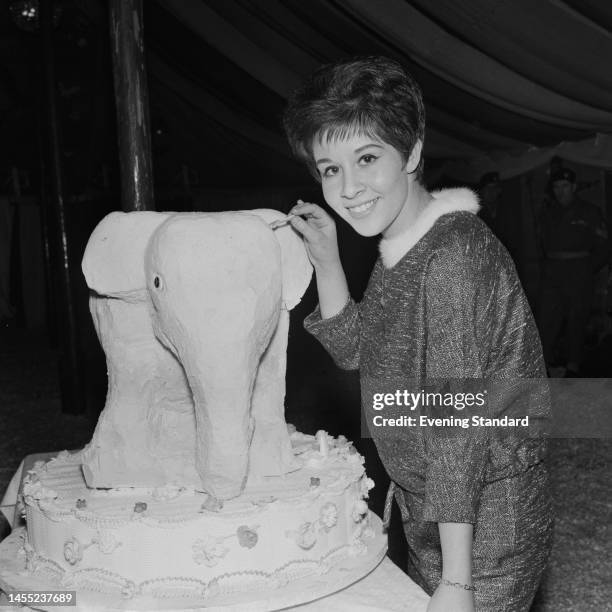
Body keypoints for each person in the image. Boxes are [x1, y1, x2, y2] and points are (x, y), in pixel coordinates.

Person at [283, 56, 552, 612]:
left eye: (366, 158)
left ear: (413, 152)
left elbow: (459, 423)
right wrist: (329, 262)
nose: (348, 187)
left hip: (484, 531)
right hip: (435, 512)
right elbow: (359, 352)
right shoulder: (403, 249)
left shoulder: (451, 255)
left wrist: (456, 581)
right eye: (330, 169)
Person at [537, 167, 609, 376]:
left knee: (577, 320)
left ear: (574, 187)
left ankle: (573, 365)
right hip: (552, 275)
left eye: (565, 186)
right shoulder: (548, 213)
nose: (561, 191)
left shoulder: (590, 212)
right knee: (546, 319)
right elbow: (542, 244)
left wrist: (586, 269)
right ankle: (545, 364)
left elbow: (604, 247)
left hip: (579, 273)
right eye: (557, 187)